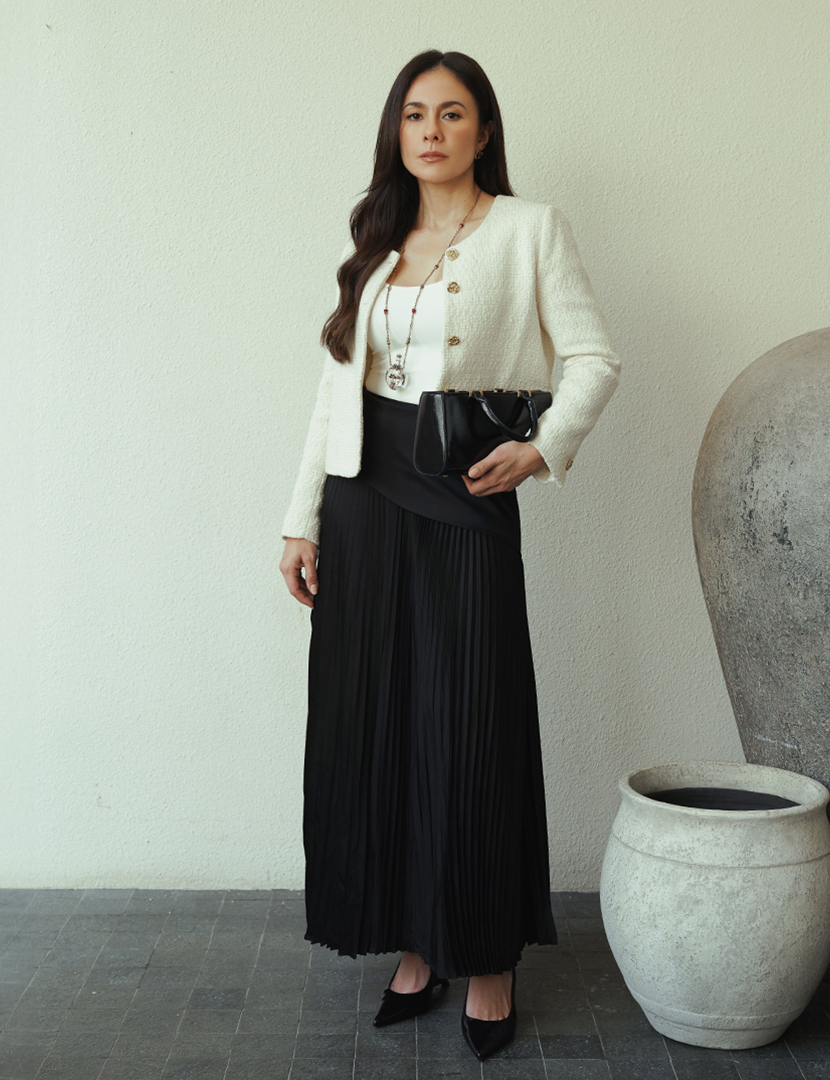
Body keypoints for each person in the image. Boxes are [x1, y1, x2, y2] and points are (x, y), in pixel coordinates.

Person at [279, 49, 620, 1061]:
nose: (431, 130)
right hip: (362, 499)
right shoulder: (375, 241)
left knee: (470, 723)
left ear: (483, 130)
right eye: (415, 114)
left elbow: (594, 356)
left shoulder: (529, 229)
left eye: (453, 113)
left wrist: (543, 445)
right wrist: (302, 520)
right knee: (377, 722)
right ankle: (415, 943)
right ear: (397, 132)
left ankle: (485, 957)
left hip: (462, 491)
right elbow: (333, 391)